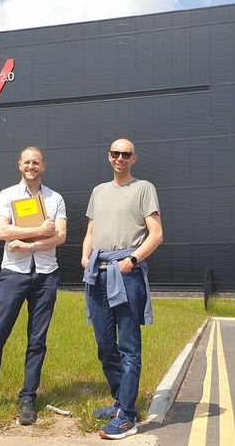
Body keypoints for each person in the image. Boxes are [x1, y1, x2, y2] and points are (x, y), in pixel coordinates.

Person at [0, 146, 67, 425]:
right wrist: (39, 231)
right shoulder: (7, 195)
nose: (31, 166)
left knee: (37, 341)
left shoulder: (55, 198)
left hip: (46, 274)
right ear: (19, 165)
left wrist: (30, 243)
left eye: (36, 162)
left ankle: (28, 398)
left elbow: (59, 237)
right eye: (27, 162)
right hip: (13, 273)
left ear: (43, 166)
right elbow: (3, 231)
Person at [81, 138, 163, 440]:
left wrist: (132, 259)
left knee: (129, 346)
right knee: (105, 346)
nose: (120, 158)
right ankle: (121, 401)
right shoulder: (98, 192)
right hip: (97, 274)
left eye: (125, 154)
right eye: (115, 153)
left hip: (125, 274)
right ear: (108, 157)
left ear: (133, 158)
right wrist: (85, 255)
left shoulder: (144, 189)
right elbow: (91, 229)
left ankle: (127, 416)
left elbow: (156, 235)